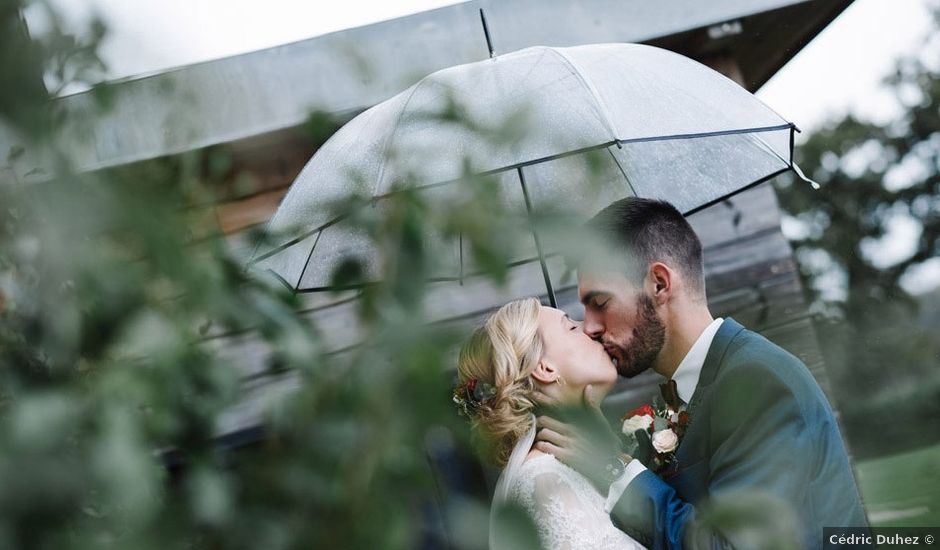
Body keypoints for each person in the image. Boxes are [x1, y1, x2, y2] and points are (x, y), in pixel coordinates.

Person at [532, 197, 869, 549]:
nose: (589, 328)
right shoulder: (687, 391)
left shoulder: (756, 382)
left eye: (600, 304)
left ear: (659, 284)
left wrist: (613, 470)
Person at [454, 298, 646, 550]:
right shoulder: (544, 483)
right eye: (571, 327)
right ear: (545, 368)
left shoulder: (570, 468)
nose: (589, 329)